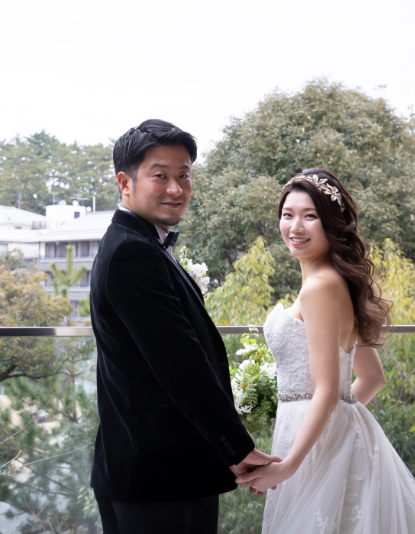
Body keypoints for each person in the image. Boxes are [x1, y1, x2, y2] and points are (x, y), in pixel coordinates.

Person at [90, 119, 279, 534]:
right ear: (125, 182)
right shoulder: (133, 253)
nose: (176, 189)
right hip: (164, 476)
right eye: (160, 176)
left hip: (141, 470)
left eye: (184, 176)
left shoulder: (135, 243)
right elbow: (180, 365)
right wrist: (236, 446)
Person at [236, 168, 415, 533]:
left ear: (333, 223)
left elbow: (327, 389)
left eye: (310, 216)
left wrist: (290, 464)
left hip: (312, 445)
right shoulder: (338, 283)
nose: (295, 227)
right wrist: (336, 429)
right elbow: (372, 377)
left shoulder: (319, 287)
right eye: (287, 215)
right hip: (326, 439)